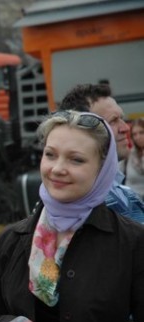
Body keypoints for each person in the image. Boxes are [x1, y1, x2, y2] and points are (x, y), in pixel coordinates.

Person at [0, 111, 144, 322]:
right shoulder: (13, 239)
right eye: (50, 154)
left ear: (103, 169)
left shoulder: (132, 242)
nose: (57, 168)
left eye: (76, 159)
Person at [60, 83, 144, 223]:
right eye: (113, 121)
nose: (125, 128)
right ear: (82, 131)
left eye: (121, 118)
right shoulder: (91, 203)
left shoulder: (119, 191)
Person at [125, 118, 144, 199]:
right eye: (134, 134)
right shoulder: (129, 154)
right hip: (131, 204)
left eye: (141, 133)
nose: (138, 137)